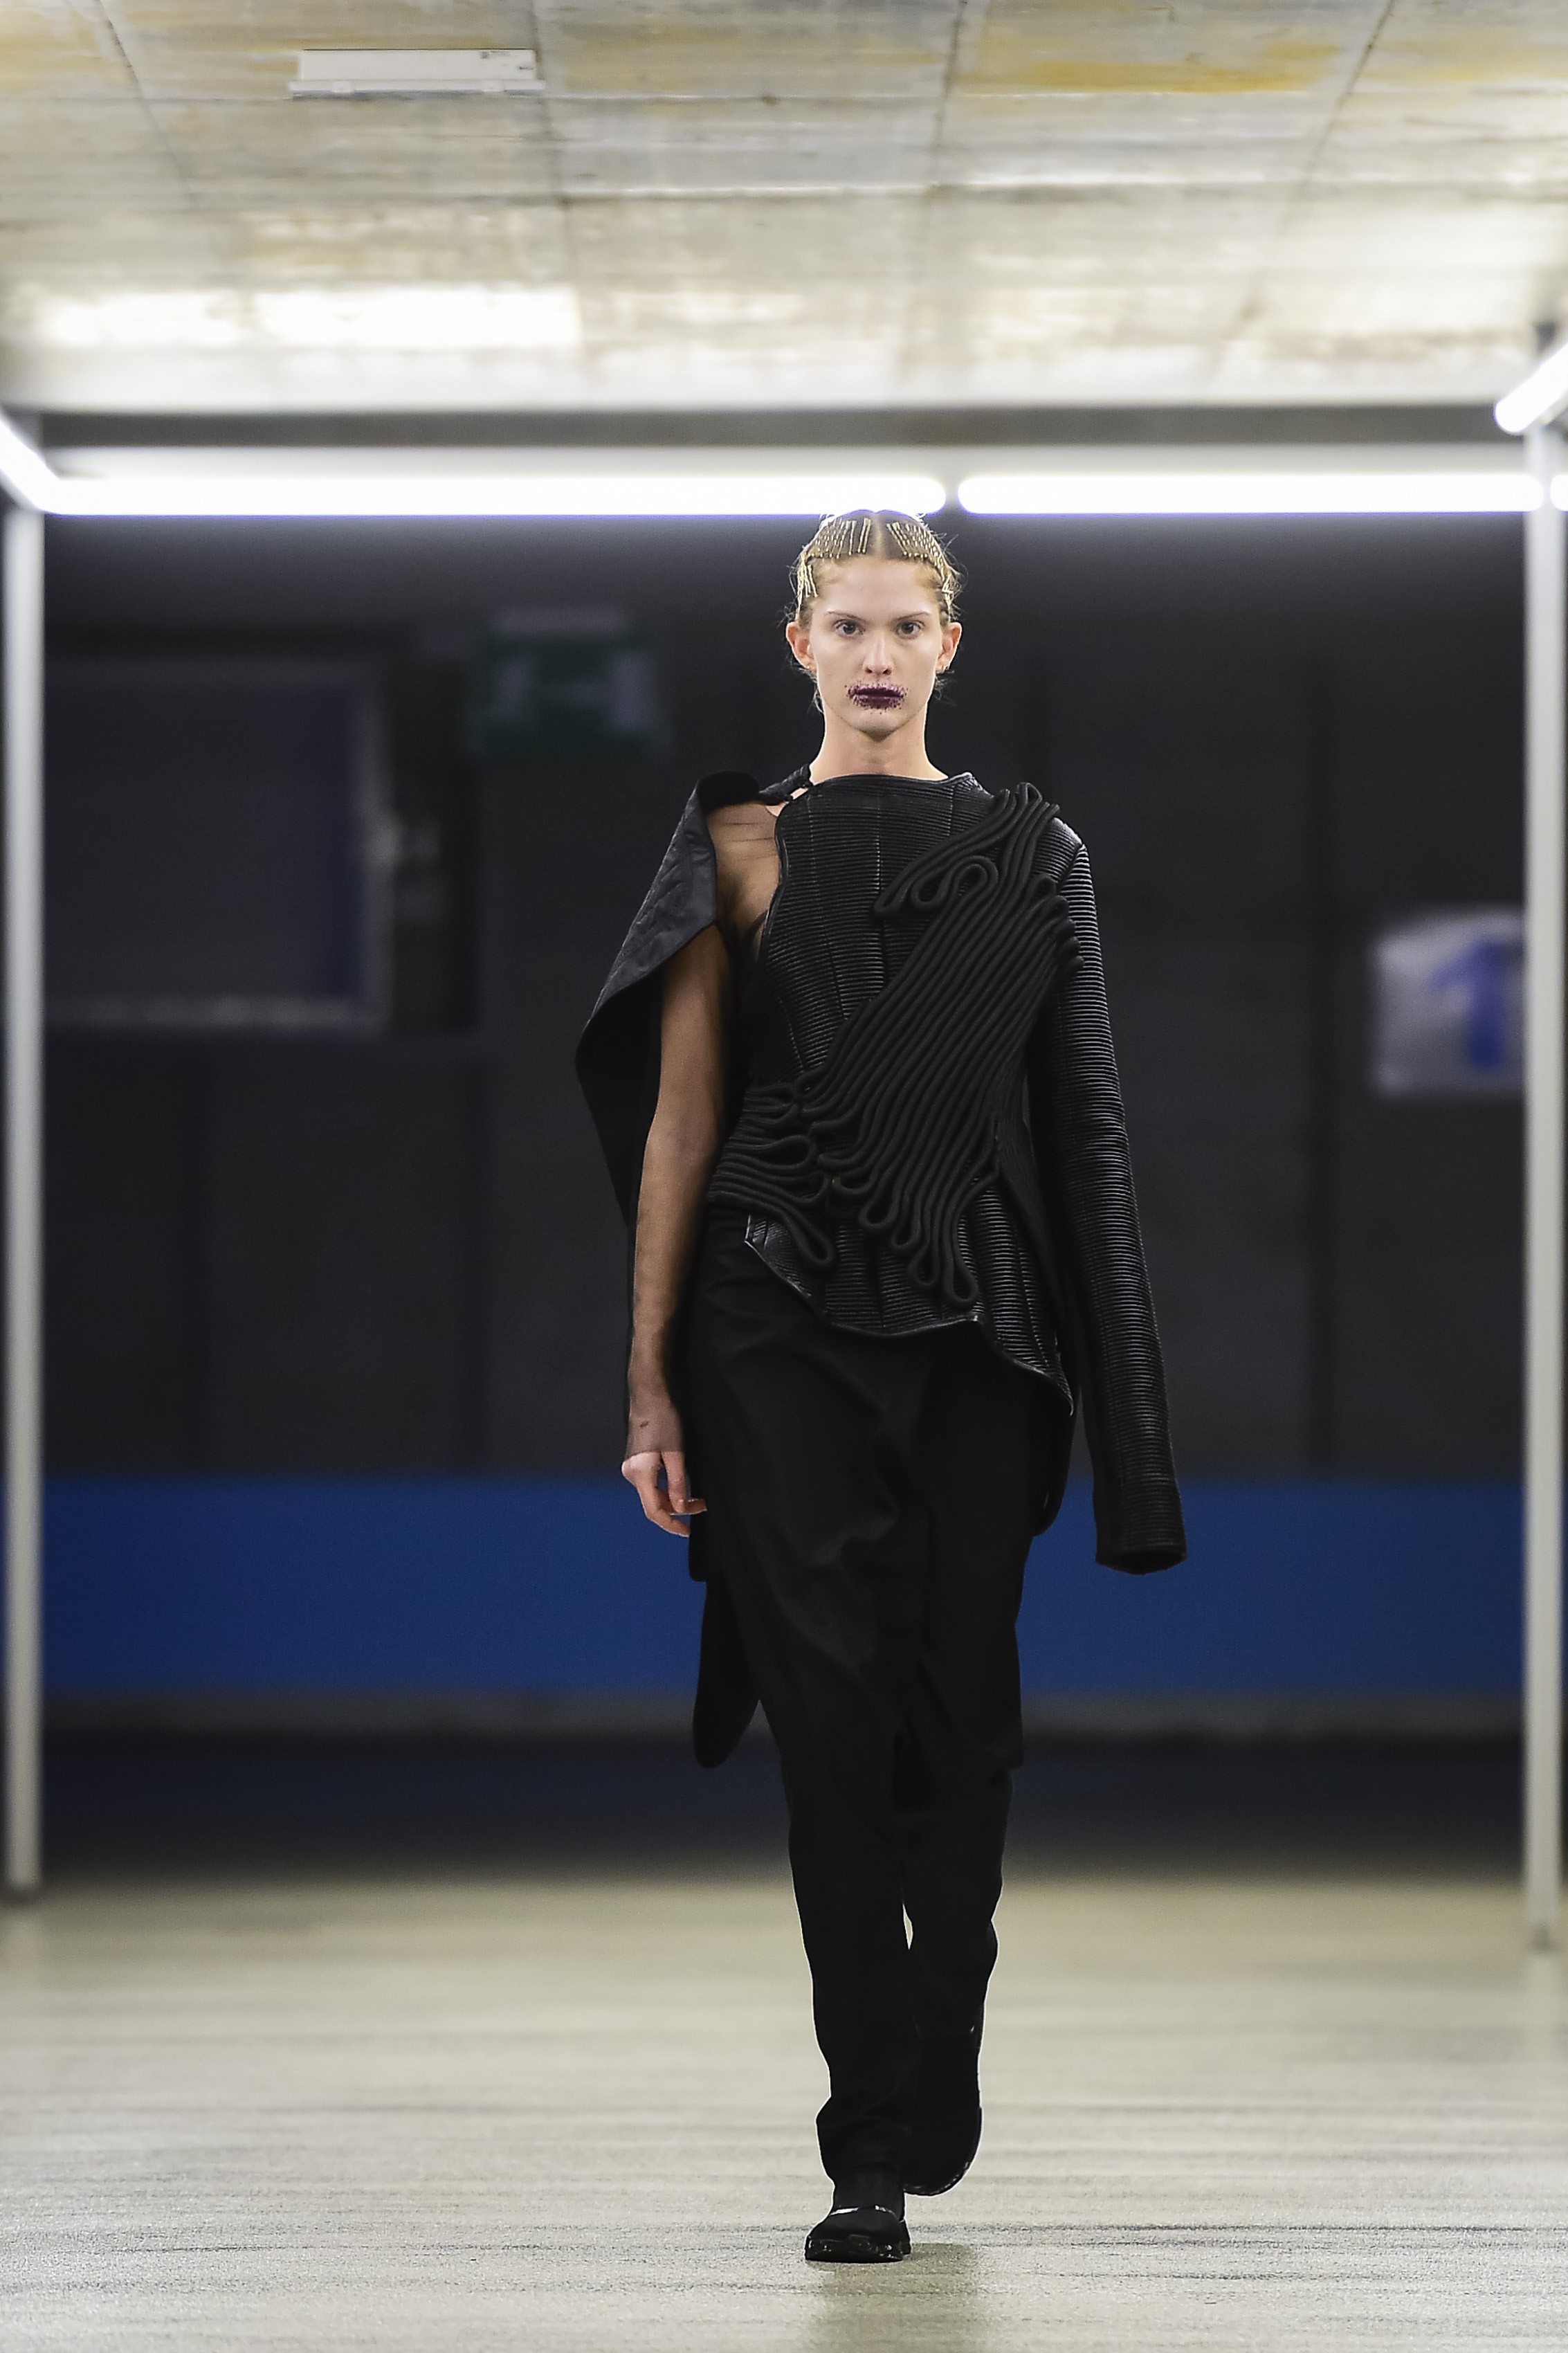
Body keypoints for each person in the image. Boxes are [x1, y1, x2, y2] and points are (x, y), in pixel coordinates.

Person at [576, 510, 1184, 2264]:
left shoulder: (1031, 851)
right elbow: (681, 1123)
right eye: (843, 623)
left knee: (959, 1716)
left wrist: (1131, 1429)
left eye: (903, 624)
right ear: (799, 645)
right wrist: (648, 1387)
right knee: (829, 1720)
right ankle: (865, 2142)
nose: (873, 652)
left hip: (980, 1330)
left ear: (945, 646)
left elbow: (1083, 1133)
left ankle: (938, 2042)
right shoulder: (735, 847)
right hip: (767, 1315)